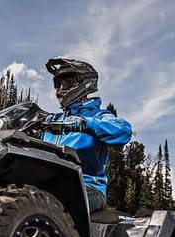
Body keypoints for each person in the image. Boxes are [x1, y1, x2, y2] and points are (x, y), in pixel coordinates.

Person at [40, 58, 132, 212]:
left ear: (84, 83)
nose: (61, 88)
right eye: (58, 84)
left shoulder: (99, 116)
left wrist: (86, 123)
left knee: (52, 202)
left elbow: (123, 131)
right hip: (50, 184)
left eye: (67, 82)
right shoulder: (52, 119)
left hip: (88, 186)